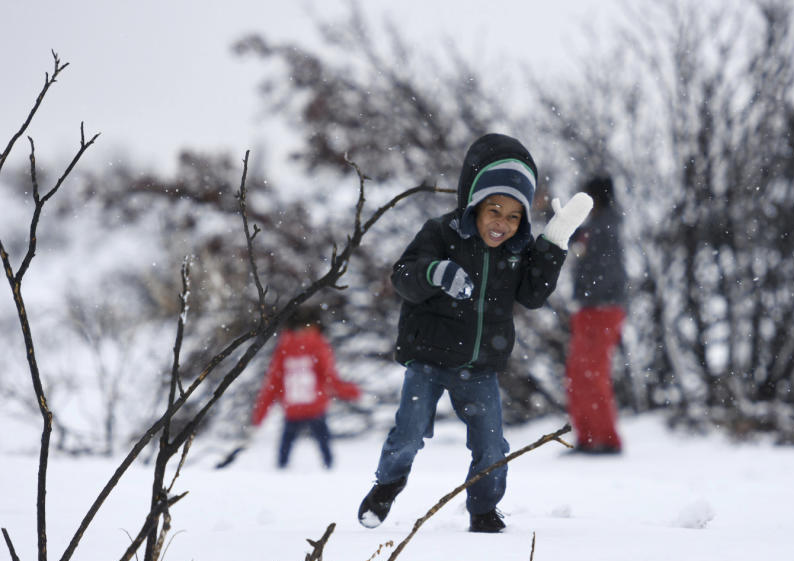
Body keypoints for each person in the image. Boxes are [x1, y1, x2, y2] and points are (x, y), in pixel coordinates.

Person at [357, 133, 593, 533]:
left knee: (490, 445)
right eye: (494, 210)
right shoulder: (441, 232)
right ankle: (387, 486)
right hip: (428, 359)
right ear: (475, 206)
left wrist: (554, 241)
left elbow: (534, 295)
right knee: (409, 432)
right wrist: (437, 272)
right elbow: (404, 276)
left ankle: (483, 511)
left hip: (480, 366)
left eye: (513, 216)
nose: (501, 223)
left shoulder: (517, 251)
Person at [565, 175, 629, 454]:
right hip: (595, 309)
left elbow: (573, 242)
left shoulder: (603, 228)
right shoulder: (602, 226)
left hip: (600, 310)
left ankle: (604, 438)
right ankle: (590, 436)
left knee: (591, 374)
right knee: (581, 373)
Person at [251, 309, 361, 468]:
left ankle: (280, 474)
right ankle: (330, 473)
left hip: (292, 408)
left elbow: (272, 384)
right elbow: (330, 378)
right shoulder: (318, 344)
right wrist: (352, 391)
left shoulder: (284, 346)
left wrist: (260, 414)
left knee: (285, 450)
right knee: (324, 447)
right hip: (315, 407)